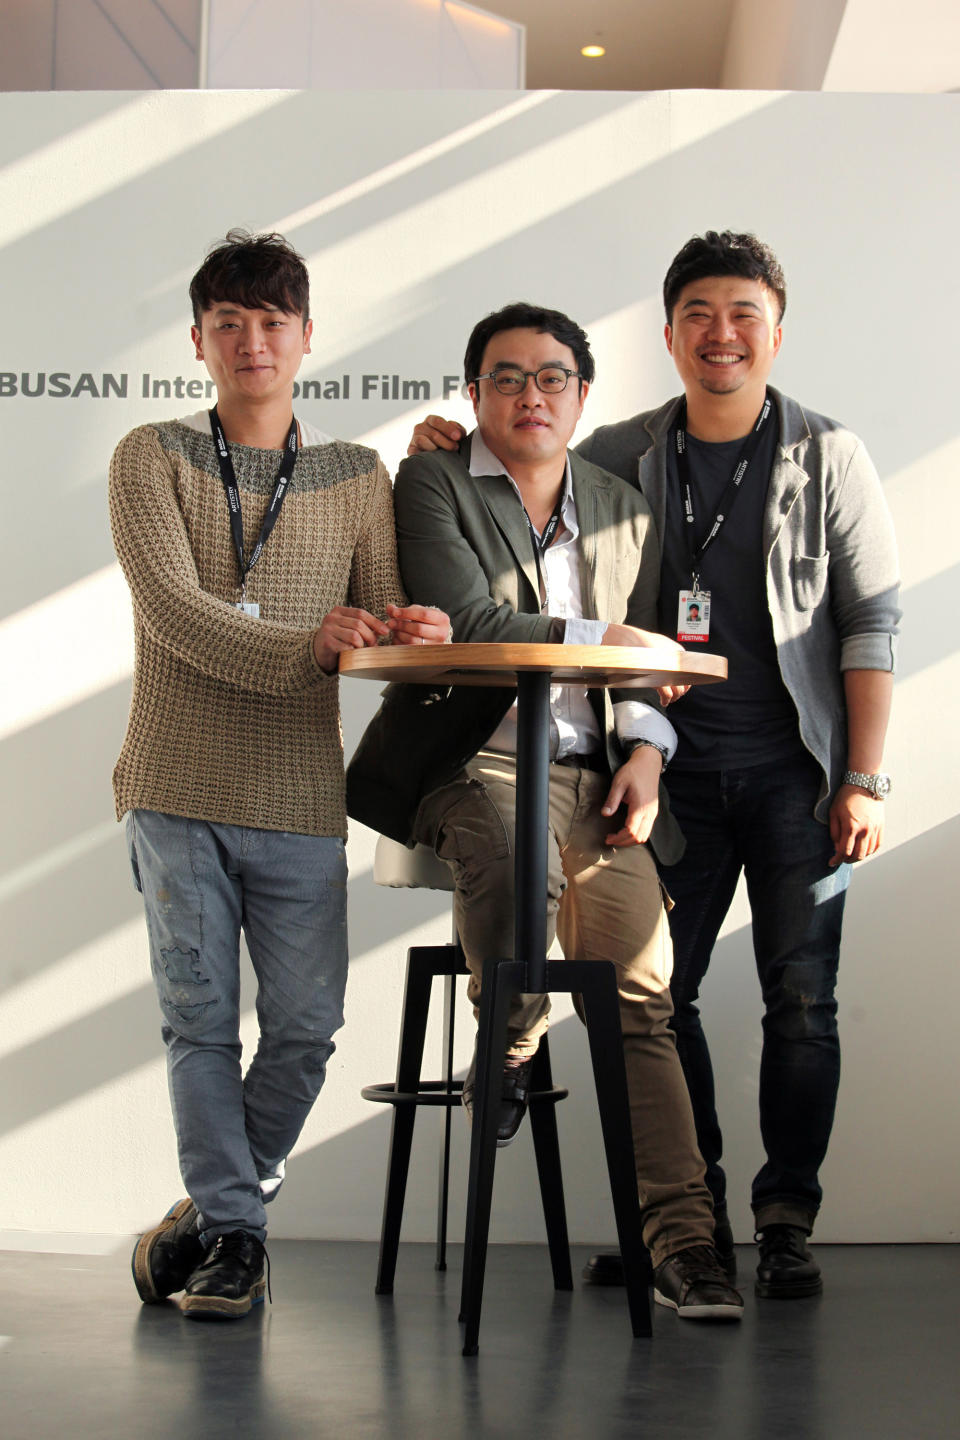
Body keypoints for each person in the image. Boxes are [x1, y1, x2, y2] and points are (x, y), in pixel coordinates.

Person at [405, 234, 901, 1300]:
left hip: (794, 777)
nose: (722, 335)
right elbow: (534, 499)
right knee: (660, 1003)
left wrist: (862, 778)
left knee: (801, 1002)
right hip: (661, 776)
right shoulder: (623, 456)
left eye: (744, 313)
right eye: (699, 315)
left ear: (774, 326)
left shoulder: (831, 456)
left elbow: (872, 624)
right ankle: (689, 1226)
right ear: (670, 332)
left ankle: (782, 1223)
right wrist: (459, 440)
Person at [347, 302, 744, 1322]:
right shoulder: (433, 479)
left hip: (590, 772)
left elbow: (647, 671)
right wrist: (610, 630)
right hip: (469, 757)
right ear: (474, 392)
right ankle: (514, 1039)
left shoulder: (620, 503)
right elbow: (472, 620)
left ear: (581, 393)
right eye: (508, 377)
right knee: (508, 859)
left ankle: (684, 1245)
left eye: (553, 377)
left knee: (642, 993)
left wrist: (648, 756)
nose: (532, 396)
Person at [111, 230, 448, 1321]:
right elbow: (172, 612)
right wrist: (307, 644)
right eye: (230, 322)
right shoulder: (149, 456)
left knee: (305, 1027)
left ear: (307, 337)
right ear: (198, 340)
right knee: (201, 1024)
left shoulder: (357, 474)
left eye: (272, 322)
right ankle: (242, 1242)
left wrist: (413, 622)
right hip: (175, 783)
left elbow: (385, 624)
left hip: (300, 793)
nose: (252, 341)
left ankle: (205, 1218)